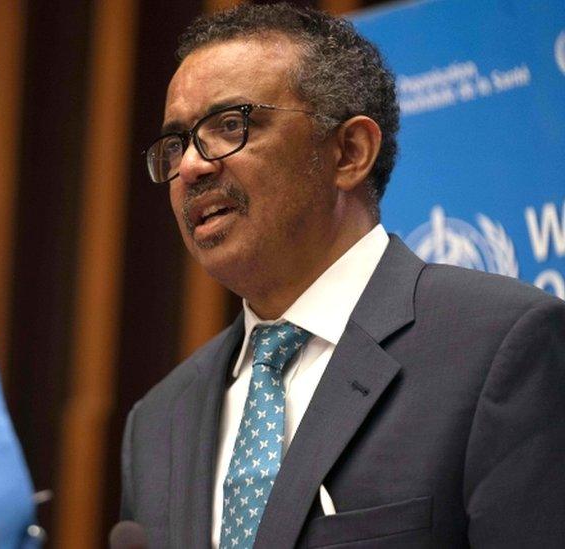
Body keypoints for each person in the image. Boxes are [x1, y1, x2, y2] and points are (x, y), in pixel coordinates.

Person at [119, 3, 565, 548]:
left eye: (229, 126)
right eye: (177, 143)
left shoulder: (501, 347)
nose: (190, 166)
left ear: (349, 153)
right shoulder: (158, 420)